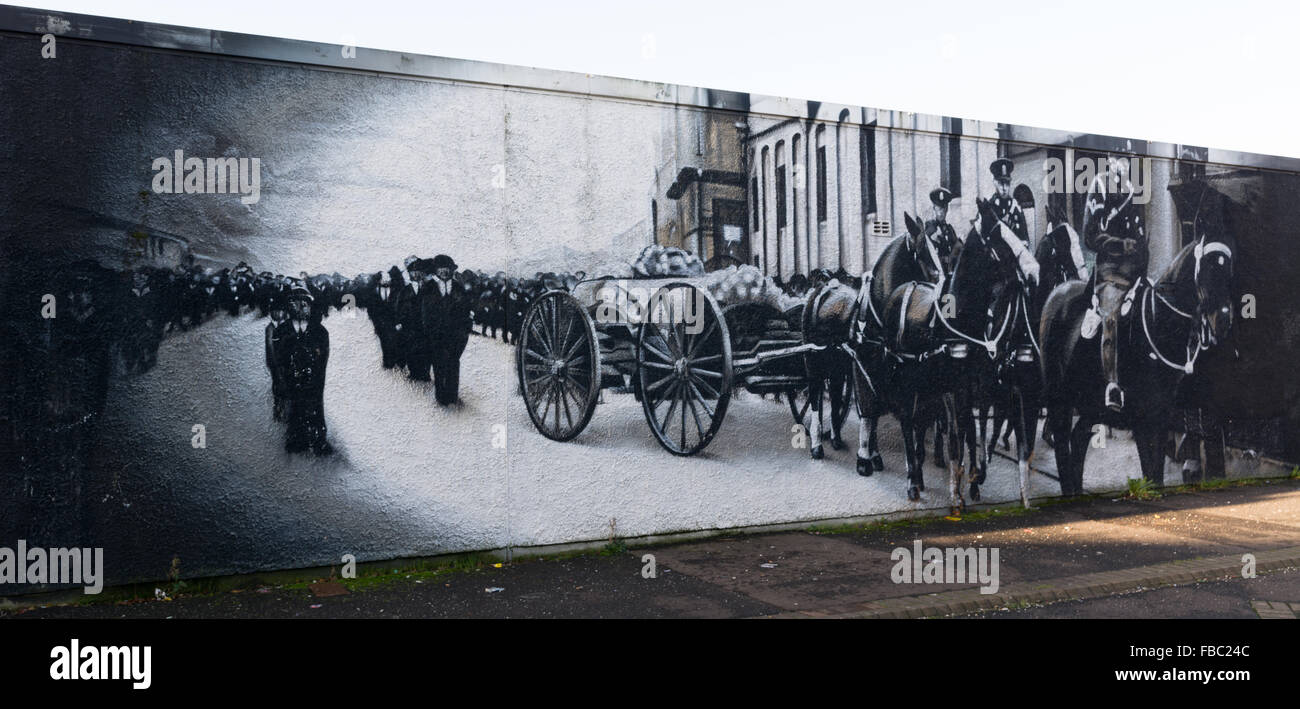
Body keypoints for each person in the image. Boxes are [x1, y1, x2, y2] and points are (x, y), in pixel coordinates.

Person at [1081, 154, 1147, 412]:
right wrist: (1119, 244)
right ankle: (1112, 385)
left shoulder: (1131, 191)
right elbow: (1090, 235)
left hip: (1133, 270)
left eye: (1128, 161)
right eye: (1120, 159)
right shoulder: (1099, 185)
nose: (1125, 165)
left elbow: (1139, 232)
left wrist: (1142, 255)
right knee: (1111, 318)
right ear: (1109, 160)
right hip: (1108, 269)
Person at [274, 284, 332, 454]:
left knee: (315, 407)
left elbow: (323, 359)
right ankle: (296, 440)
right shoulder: (281, 331)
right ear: (289, 307)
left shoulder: (320, 332)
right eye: (295, 303)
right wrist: (285, 377)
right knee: (295, 408)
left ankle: (319, 440)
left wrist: (315, 375)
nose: (300, 307)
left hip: (314, 378)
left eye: (304, 303)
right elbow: (279, 359)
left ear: (310, 306)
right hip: (290, 378)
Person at [424, 254, 472, 406]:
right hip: (436, 334)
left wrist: (465, 331)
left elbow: (466, 310)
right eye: (441, 269)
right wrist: (429, 331)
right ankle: (441, 396)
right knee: (438, 364)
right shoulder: (429, 288)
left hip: (456, 334)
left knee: (453, 363)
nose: (444, 272)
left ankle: (452, 395)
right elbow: (424, 311)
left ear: (452, 271)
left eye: (447, 269)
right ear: (436, 271)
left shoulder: (459, 287)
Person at [923, 187, 961, 278]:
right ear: (934, 209)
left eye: (944, 208)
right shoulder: (930, 228)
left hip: (949, 272)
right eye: (939, 208)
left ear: (947, 209)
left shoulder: (949, 229)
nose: (942, 212)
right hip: (935, 274)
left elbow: (958, 246)